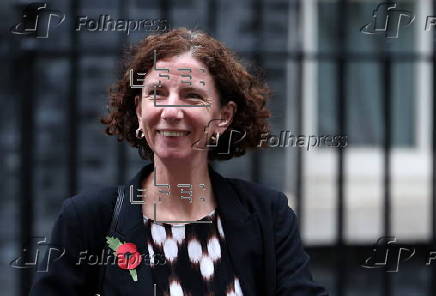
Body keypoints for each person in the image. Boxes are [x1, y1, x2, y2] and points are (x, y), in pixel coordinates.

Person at [30, 27, 329, 296]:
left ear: (223, 117)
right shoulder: (87, 219)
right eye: (157, 93)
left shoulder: (268, 214)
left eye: (192, 96)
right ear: (138, 109)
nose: (171, 110)